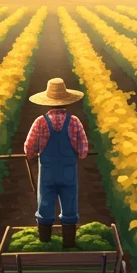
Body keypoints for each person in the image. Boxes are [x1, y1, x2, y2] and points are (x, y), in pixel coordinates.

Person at [23, 77, 89, 247]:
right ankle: (69, 244)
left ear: (48, 103)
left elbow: (29, 148)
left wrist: (33, 154)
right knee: (70, 205)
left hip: (47, 173)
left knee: (45, 204)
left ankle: (45, 241)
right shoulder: (74, 122)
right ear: (66, 102)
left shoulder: (40, 122)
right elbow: (83, 151)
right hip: (68, 173)